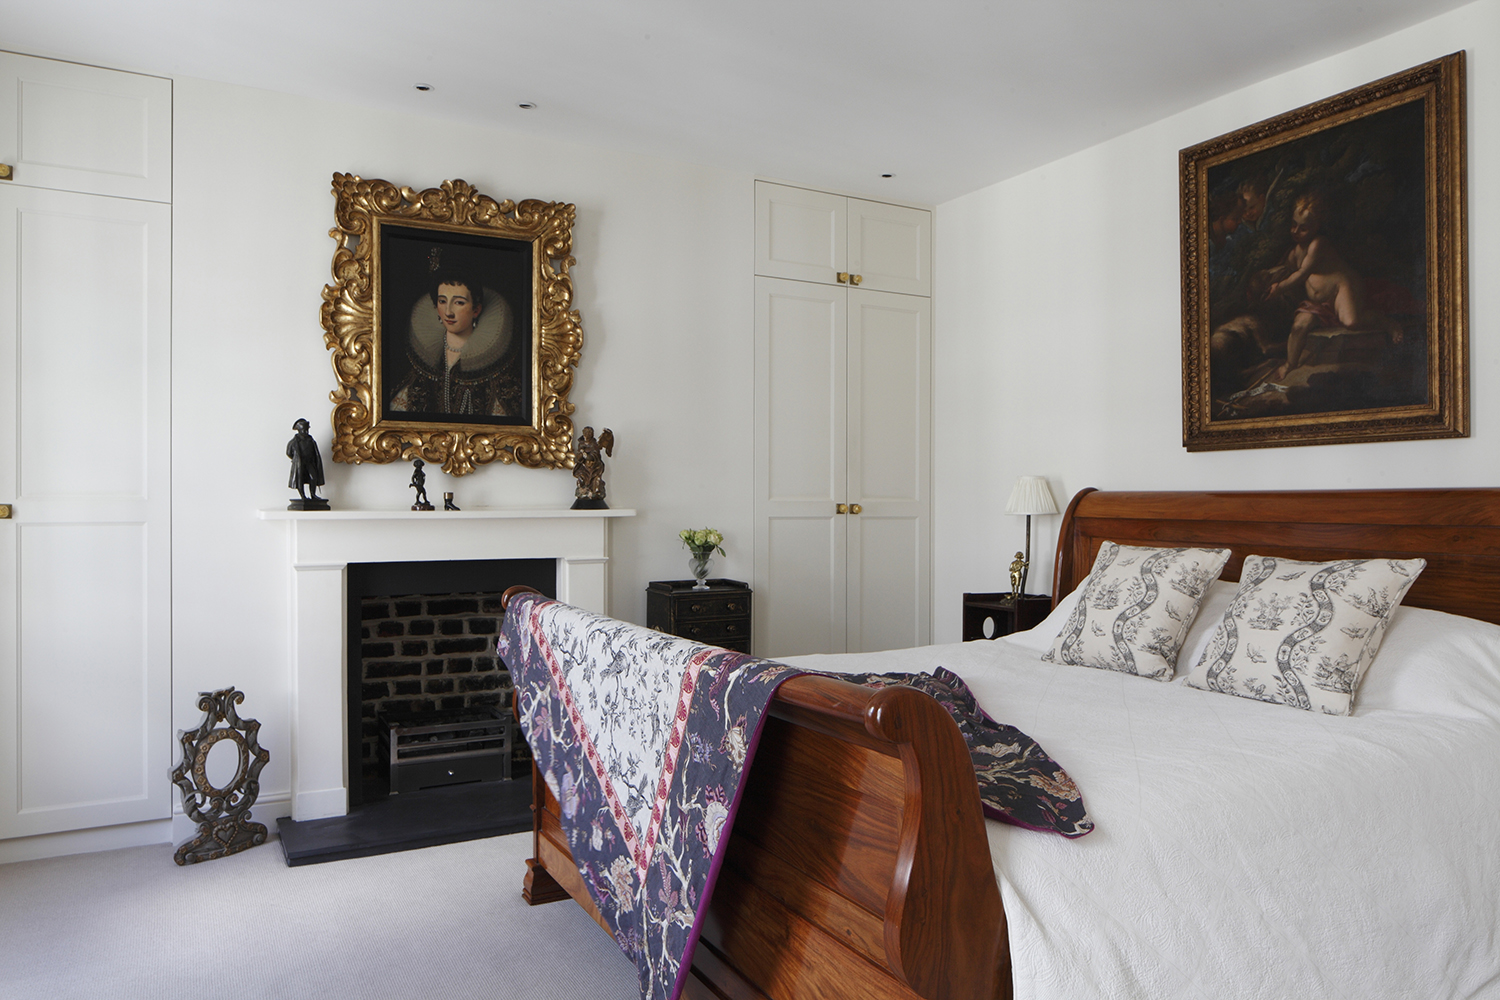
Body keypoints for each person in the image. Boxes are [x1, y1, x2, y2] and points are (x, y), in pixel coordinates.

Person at [1265, 190, 1403, 380]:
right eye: (1293, 225)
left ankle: (1384, 321)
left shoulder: (1318, 244)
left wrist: (1279, 287)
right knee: (1299, 327)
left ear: (1317, 227)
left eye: (1303, 228)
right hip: (1317, 304)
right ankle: (1290, 364)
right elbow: (1285, 270)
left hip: (1341, 289)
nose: (1295, 231)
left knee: (1351, 322)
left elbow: (1302, 273)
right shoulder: (1293, 253)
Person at [387, 263, 519, 418]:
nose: (448, 312)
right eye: (442, 301)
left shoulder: (495, 369)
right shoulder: (426, 363)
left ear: (476, 310)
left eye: (459, 303)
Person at [286, 418, 325, 501]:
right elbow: (289, 453)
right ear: (299, 430)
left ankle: (313, 494)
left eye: (307, 430)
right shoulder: (294, 442)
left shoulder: (311, 441)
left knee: (313, 477)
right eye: (304, 430)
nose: (306, 432)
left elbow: (315, 453)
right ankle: (303, 496)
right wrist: (296, 460)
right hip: (300, 464)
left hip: (310, 463)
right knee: (300, 479)